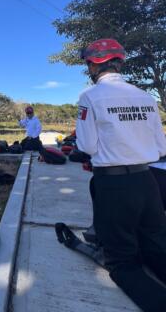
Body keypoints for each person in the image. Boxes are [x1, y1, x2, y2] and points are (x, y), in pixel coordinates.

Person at [76, 38, 166, 312]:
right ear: (119, 62)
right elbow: (161, 147)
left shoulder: (89, 97)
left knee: (123, 261)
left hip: (113, 184)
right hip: (148, 181)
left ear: (93, 65)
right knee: (156, 246)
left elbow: (87, 146)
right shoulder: (145, 97)